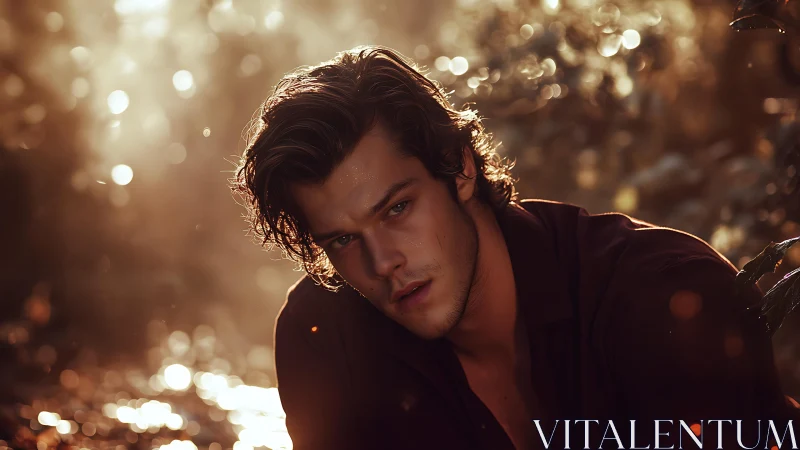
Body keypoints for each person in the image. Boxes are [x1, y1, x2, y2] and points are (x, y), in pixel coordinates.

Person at [232, 46, 798, 450]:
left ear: (459, 169)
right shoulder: (327, 339)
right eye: (344, 240)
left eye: (396, 209)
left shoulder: (663, 295)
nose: (383, 264)